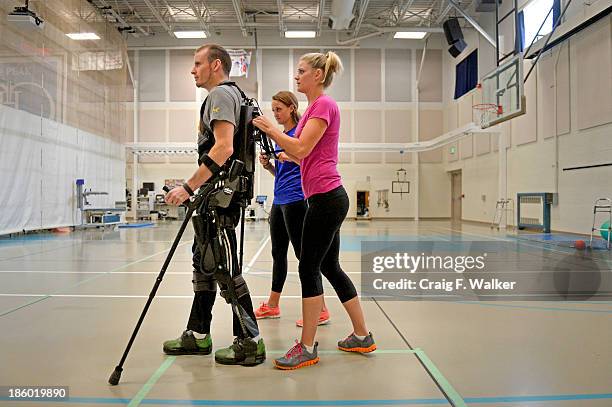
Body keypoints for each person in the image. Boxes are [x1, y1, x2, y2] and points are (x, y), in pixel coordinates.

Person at [253, 51, 376, 370]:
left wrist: (272, 131)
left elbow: (302, 147)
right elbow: (301, 154)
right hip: (323, 197)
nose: (297, 76)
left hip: (326, 198)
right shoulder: (310, 112)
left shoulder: (324, 105)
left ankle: (306, 347)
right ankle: (362, 335)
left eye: (302, 71)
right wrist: (283, 156)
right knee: (330, 267)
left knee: (308, 266)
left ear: (318, 75)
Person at [164, 43, 265, 366]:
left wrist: (187, 186)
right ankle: (197, 333)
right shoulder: (235, 95)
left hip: (220, 197)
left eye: (197, 63)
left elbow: (223, 148)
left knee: (224, 268)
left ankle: (251, 340)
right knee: (205, 264)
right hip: (217, 197)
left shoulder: (220, 96)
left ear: (216, 65)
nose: (193, 70)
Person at [254, 91, 330, 327]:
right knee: (278, 253)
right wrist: (269, 166)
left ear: (291, 108)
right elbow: (282, 172)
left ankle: (322, 309)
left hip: (297, 199)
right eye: (273, 109)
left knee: (304, 257)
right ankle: (273, 305)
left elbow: (305, 163)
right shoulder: (280, 137)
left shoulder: (298, 135)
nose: (275, 114)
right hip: (279, 200)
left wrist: (290, 156)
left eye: (279, 109)